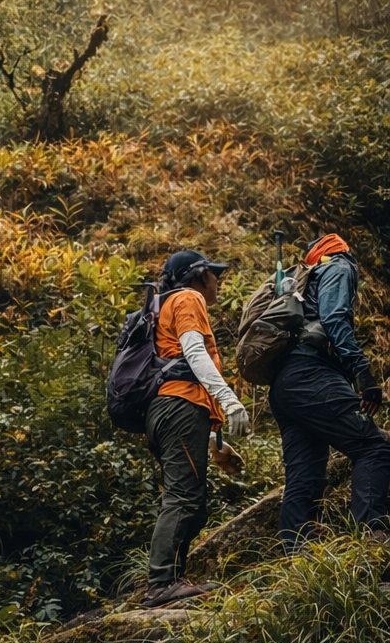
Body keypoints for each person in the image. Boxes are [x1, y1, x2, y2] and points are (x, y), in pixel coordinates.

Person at [141, 250, 250, 609]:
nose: (217, 280)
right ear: (199, 275)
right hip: (179, 408)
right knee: (183, 498)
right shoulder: (188, 298)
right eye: (214, 274)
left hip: (169, 411)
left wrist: (214, 441)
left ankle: (172, 580)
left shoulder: (164, 306)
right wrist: (230, 399)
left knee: (193, 503)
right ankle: (161, 584)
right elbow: (193, 354)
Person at [269, 233, 390, 550]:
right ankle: (372, 546)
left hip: (285, 383)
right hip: (311, 373)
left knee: (305, 472)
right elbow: (335, 317)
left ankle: (298, 563)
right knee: (372, 447)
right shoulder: (338, 265)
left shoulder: (303, 282)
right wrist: (362, 374)